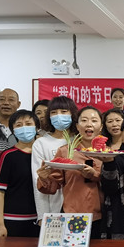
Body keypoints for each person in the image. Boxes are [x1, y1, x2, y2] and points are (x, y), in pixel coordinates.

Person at [36, 106, 104, 237]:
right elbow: (53, 187)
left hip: (101, 215)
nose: (89, 124)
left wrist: (94, 175)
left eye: (94, 120)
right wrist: (44, 178)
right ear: (77, 126)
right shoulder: (65, 151)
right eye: (84, 120)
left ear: (101, 126)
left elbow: (113, 183)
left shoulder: (108, 153)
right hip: (72, 213)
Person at [0, 109, 41, 237]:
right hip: (12, 220)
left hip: (40, 220)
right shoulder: (7, 155)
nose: (24, 128)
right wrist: (0, 225)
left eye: (28, 124)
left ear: (37, 128)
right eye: (19, 125)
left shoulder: (42, 155)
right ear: (13, 131)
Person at [32, 96, 79, 224]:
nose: (58, 116)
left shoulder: (80, 140)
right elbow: (37, 180)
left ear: (73, 114)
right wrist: (42, 215)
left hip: (80, 207)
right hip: (54, 208)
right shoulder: (41, 143)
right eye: (54, 112)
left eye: (64, 112)